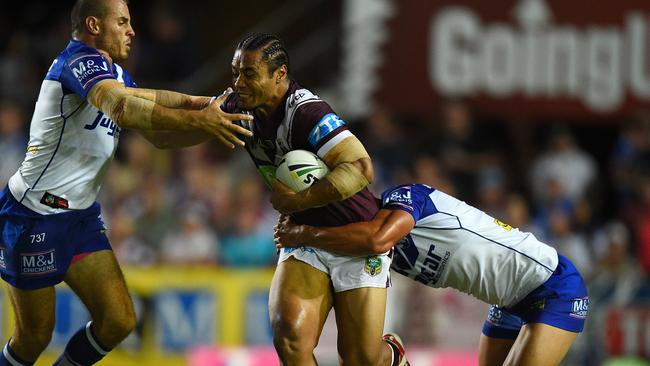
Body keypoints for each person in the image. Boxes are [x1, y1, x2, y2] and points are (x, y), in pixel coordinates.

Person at [0, 0, 254, 365]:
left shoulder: (116, 77)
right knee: (33, 338)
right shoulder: (79, 62)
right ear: (93, 25)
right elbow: (121, 107)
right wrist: (201, 119)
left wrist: (210, 113)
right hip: (33, 214)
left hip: (79, 217)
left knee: (118, 321)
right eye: (122, 22)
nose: (132, 31)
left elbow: (161, 133)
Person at [221, 33, 408, 365]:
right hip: (303, 237)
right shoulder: (238, 107)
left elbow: (362, 167)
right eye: (235, 73)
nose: (238, 83)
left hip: (354, 236)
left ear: (280, 75)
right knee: (289, 337)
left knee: (361, 359)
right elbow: (188, 112)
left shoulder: (307, 112)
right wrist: (125, 101)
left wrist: (299, 201)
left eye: (249, 73)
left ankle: (390, 355)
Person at [275, 183, 589, 366]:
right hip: (507, 301)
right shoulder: (372, 251)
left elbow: (376, 237)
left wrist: (303, 233)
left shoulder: (404, 197)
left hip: (553, 285)